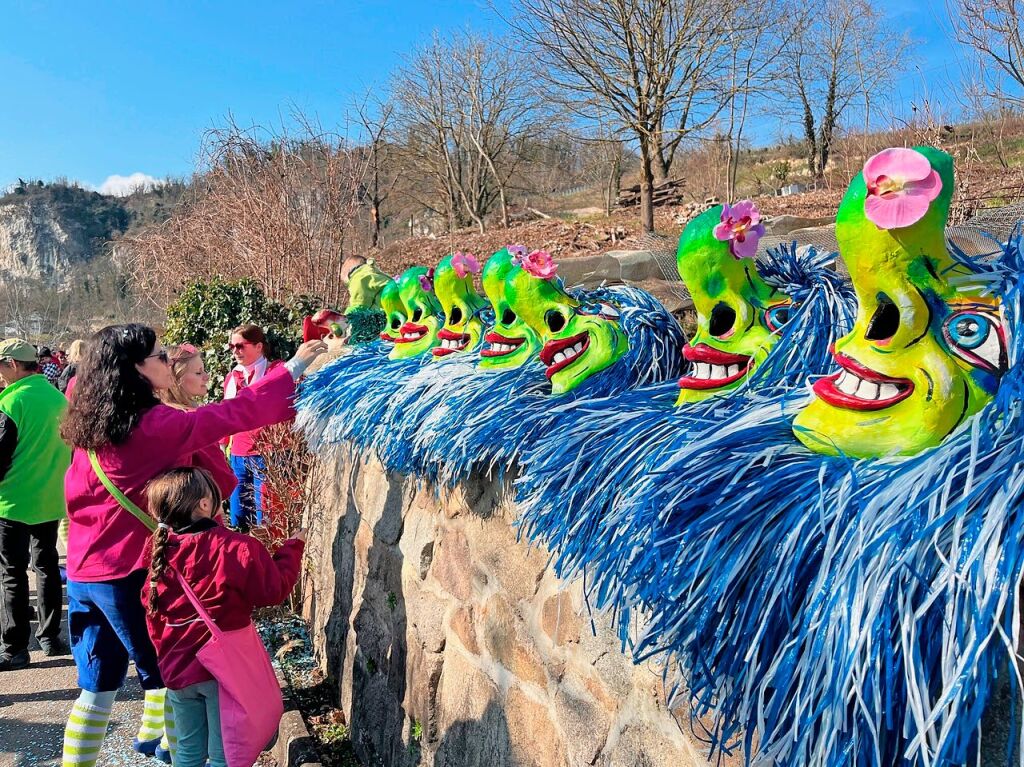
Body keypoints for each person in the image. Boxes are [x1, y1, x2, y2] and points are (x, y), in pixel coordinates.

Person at [58, 323, 324, 767]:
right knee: (170, 682)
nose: (168, 362)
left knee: (97, 686)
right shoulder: (153, 425)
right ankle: (167, 756)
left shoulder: (93, 426)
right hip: (127, 572)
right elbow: (233, 415)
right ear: (136, 370)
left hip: (85, 572)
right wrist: (293, 367)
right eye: (160, 356)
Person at [143, 466, 304, 767]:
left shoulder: (159, 552)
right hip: (222, 671)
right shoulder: (237, 548)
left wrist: (165, 657)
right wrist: (292, 549)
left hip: (177, 668)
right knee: (225, 755)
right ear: (205, 504)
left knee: (188, 753)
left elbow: (153, 613)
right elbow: (273, 590)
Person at [0, 338, 71, 671]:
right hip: (51, 497)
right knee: (46, 567)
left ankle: (14, 647)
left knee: (12, 573)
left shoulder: (12, 402)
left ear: (13, 364)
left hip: (12, 501)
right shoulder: (57, 399)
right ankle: (51, 636)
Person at [223, 325, 282, 531]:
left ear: (259, 346)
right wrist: (223, 445)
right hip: (238, 454)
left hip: (268, 453)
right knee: (238, 515)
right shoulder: (233, 378)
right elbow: (226, 415)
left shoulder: (276, 372)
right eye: (232, 346)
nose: (235, 351)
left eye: (240, 346)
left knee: (265, 516)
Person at [161, 344, 235, 495]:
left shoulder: (156, 414)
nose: (206, 376)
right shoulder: (192, 421)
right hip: (198, 509)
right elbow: (223, 483)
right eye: (198, 373)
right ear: (176, 378)